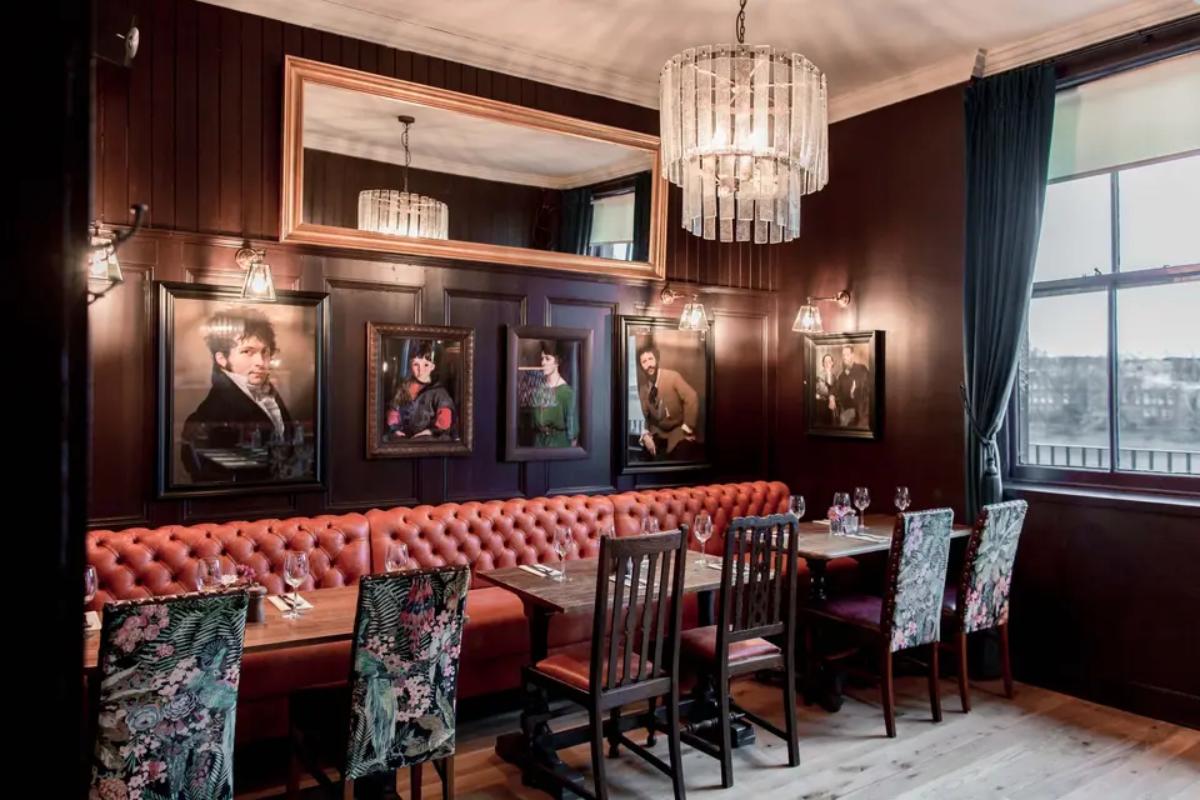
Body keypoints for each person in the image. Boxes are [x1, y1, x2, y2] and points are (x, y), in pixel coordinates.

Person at [180, 308, 294, 481]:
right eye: (248, 351)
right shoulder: (210, 416)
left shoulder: (270, 395)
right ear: (222, 359)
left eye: (265, 352)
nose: (261, 362)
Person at [635, 340, 700, 460]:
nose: (648, 364)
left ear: (657, 359)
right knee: (644, 456)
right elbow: (643, 415)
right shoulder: (643, 388)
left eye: (650, 359)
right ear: (641, 366)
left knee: (682, 454)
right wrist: (645, 435)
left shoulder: (673, 377)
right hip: (657, 433)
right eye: (644, 362)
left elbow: (692, 397)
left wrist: (687, 427)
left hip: (677, 431)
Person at [386, 341, 457, 440]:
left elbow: (445, 417)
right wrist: (395, 429)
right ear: (410, 365)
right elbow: (393, 411)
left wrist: (430, 432)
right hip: (404, 440)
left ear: (432, 366)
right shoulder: (403, 388)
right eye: (416, 364)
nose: (420, 370)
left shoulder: (439, 392)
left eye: (426, 365)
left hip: (429, 440)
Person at [525, 341, 578, 448]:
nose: (543, 363)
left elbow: (573, 434)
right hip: (538, 444)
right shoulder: (538, 389)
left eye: (547, 359)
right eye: (542, 359)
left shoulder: (567, 393)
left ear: (557, 362)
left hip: (558, 444)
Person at [833, 344, 871, 428]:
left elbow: (869, 389)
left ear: (852, 355)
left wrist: (854, 393)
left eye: (847, 354)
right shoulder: (841, 375)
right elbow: (835, 388)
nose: (844, 357)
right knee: (843, 420)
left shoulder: (862, 369)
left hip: (863, 410)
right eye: (843, 355)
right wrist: (831, 397)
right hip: (848, 409)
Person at [814, 352, 839, 426]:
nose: (827, 363)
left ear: (832, 363)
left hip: (832, 406)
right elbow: (822, 391)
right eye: (825, 361)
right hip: (822, 406)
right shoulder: (819, 376)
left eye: (829, 361)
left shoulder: (834, 377)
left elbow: (837, 390)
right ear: (823, 364)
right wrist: (832, 396)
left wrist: (834, 397)